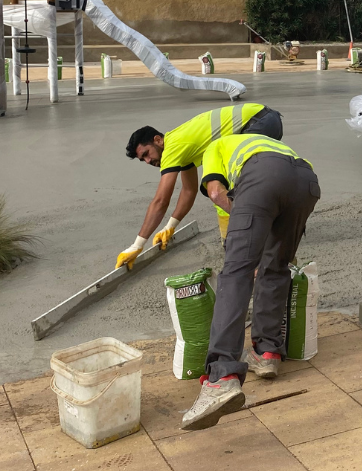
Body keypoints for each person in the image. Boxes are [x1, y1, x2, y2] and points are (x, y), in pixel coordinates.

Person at [181, 133, 320, 430]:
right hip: (306, 181)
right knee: (276, 266)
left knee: (236, 272)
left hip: (262, 178)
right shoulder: (260, 142)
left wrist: (250, 221)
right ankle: (266, 352)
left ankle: (222, 376)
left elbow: (218, 193)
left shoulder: (212, 147)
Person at [117, 104, 283, 268]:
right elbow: (189, 191)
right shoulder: (181, 148)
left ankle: (264, 233)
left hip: (258, 123)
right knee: (224, 182)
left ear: (158, 140)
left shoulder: (172, 148)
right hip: (264, 118)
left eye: (146, 154)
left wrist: (137, 245)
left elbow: (161, 201)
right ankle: (243, 234)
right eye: (142, 160)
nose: (148, 161)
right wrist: (169, 227)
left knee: (234, 185)